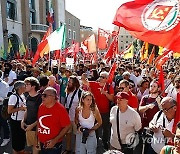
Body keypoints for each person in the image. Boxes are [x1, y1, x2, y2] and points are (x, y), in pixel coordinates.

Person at [81, 71, 114, 150]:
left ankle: (105, 141)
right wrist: (83, 76)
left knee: (105, 128)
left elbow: (112, 98)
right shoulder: (94, 84)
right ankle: (95, 141)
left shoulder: (109, 87)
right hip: (94, 111)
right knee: (95, 126)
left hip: (105, 111)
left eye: (103, 77)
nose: (100, 78)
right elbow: (84, 82)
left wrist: (105, 93)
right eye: (100, 76)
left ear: (106, 79)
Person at [37, 87, 71, 154]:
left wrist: (55, 140)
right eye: (42, 95)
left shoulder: (60, 110)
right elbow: (39, 123)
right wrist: (37, 140)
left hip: (54, 145)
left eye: (45, 95)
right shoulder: (41, 106)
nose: (42, 97)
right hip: (42, 143)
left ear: (53, 97)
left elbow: (67, 126)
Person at [21, 77, 42, 154]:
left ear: (33, 86)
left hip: (37, 128)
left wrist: (32, 125)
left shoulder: (40, 98)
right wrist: (23, 121)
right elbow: (27, 110)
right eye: (24, 84)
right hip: (29, 126)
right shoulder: (28, 97)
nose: (25, 86)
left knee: (36, 147)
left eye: (27, 84)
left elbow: (42, 116)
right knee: (33, 145)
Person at [63, 75, 82, 153]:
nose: (68, 83)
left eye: (70, 82)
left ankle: (75, 150)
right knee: (68, 134)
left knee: (76, 135)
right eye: (68, 82)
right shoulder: (68, 90)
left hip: (76, 118)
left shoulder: (80, 93)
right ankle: (68, 149)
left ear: (75, 83)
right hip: (68, 116)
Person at [8, 81, 27, 154]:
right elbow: (9, 111)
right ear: (20, 88)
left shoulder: (22, 95)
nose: (25, 87)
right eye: (24, 86)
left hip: (21, 120)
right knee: (16, 140)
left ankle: (21, 151)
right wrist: (21, 108)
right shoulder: (13, 97)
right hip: (16, 122)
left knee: (21, 139)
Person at [0, 71, 10, 147]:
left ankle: (6, 137)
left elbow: (3, 98)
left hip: (1, 106)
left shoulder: (4, 85)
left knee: (3, 122)